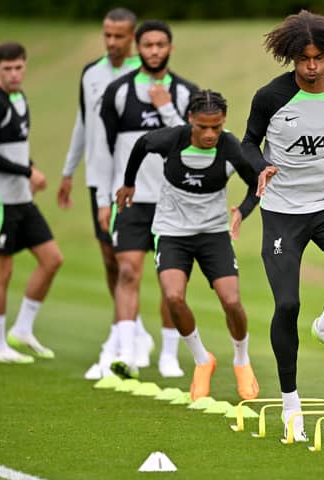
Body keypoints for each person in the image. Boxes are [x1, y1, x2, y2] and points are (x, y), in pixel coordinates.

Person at [241, 10, 324, 440]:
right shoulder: (271, 97)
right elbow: (247, 142)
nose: (312, 66)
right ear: (291, 59)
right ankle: (290, 407)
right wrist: (261, 166)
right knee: (286, 306)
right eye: (304, 59)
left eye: (319, 58)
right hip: (282, 211)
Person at [115, 90, 260, 401]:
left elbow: (256, 185)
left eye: (217, 127)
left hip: (213, 234)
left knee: (232, 301)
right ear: (190, 119)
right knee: (173, 297)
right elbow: (141, 145)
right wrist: (129, 183)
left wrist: (242, 212)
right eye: (203, 127)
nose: (210, 134)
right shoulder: (171, 139)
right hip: (171, 232)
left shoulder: (230, 147)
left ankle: (241, 360)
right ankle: (201, 360)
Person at [95, 19, 199, 380]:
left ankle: (169, 355)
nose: (154, 51)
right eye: (148, 45)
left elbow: (195, 142)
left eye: (161, 45)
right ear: (137, 48)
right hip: (130, 201)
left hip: (174, 201)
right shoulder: (118, 92)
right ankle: (126, 354)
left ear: (170, 48)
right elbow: (103, 149)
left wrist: (167, 108)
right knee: (127, 271)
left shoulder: (186, 93)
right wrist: (103, 199)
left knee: (172, 283)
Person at [56, 8, 156, 380]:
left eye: (119, 36)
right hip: (100, 181)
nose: (112, 42)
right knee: (112, 262)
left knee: (131, 263)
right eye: (107, 36)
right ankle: (134, 330)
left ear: (132, 37)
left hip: (139, 185)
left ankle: (117, 345)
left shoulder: (146, 75)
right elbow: (84, 126)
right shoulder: (91, 74)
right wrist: (68, 171)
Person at [0, 42, 63, 364]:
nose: (13, 74)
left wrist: (29, 171)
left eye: (18, 68)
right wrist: (28, 171)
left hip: (21, 199)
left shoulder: (19, 98)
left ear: (25, 66)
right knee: (2, 271)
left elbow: (15, 149)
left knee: (52, 259)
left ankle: (22, 329)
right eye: (7, 68)